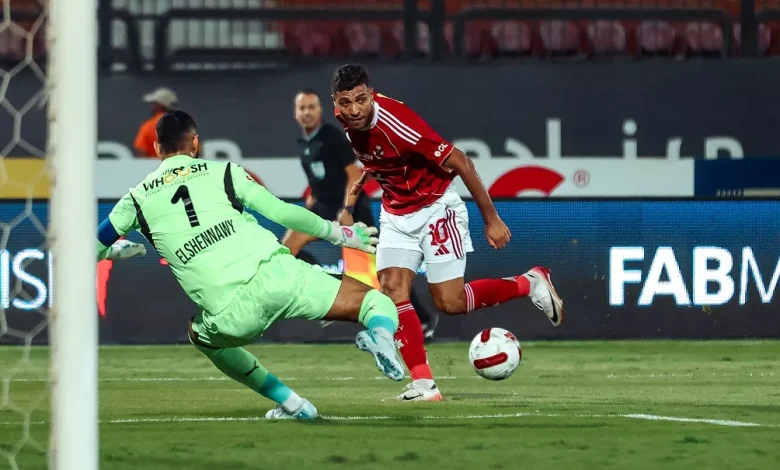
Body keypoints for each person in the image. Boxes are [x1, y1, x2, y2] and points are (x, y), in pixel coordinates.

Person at [97, 110, 405, 420]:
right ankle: (382, 336)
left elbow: (86, 250)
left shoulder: (135, 200)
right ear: (196, 143)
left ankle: (293, 404)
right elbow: (282, 212)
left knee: (199, 334)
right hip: (279, 276)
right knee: (374, 302)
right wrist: (340, 234)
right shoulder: (224, 172)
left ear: (156, 149)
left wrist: (112, 251)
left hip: (231, 313)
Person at [331, 64, 565, 402]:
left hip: (435, 207)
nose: (354, 109)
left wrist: (491, 219)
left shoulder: (397, 122)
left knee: (449, 302)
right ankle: (424, 384)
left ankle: (529, 283)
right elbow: (375, 159)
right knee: (392, 289)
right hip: (395, 213)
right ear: (336, 103)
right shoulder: (346, 119)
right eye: (346, 102)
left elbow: (460, 161)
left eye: (361, 100)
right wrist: (351, 202)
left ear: (372, 94)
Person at [284, 88, 440, 338]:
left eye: (311, 107)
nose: (307, 112)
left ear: (321, 110)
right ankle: (324, 297)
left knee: (385, 269)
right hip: (323, 207)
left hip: (350, 207)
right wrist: (312, 197)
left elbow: (354, 175)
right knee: (287, 250)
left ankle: (422, 320)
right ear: (295, 113)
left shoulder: (331, 137)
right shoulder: (304, 143)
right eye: (302, 108)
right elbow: (320, 176)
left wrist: (347, 209)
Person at [134, 87, 178, 158]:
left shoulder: (148, 125)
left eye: (154, 103)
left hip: (155, 164)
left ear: (159, 105)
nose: (152, 106)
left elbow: (140, 151)